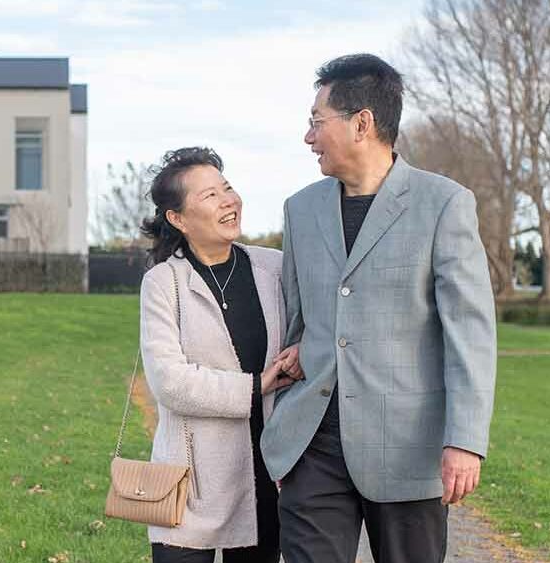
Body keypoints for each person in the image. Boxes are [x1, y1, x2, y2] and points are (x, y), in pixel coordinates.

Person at [261, 53, 499, 563]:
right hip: (313, 446)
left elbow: (470, 334)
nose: (308, 137)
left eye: (316, 123)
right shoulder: (299, 210)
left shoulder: (444, 204)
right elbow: (299, 319)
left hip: (407, 448)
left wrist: (465, 441)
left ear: (362, 123)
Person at [138, 147, 302, 563]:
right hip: (189, 482)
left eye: (227, 188)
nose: (229, 200)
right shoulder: (163, 283)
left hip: (265, 475)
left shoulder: (275, 268)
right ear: (177, 219)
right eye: (210, 196)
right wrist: (256, 385)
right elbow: (170, 383)